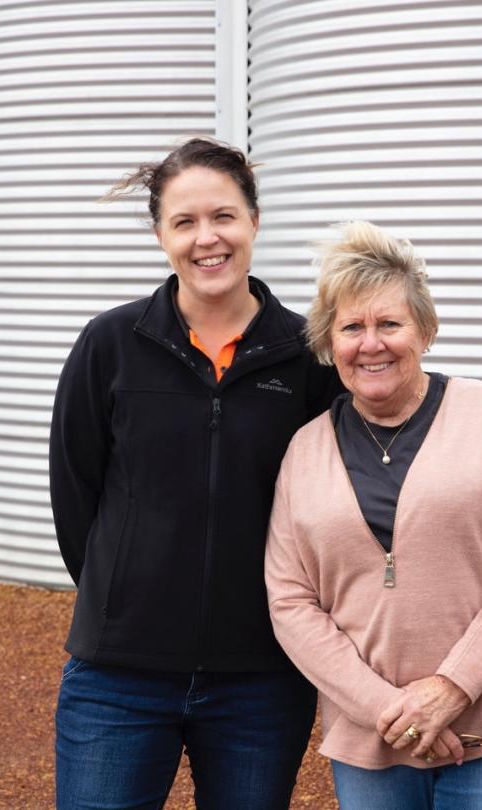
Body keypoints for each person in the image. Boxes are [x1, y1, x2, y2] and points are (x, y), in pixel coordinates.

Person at [48, 137, 341, 810]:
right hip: (118, 675)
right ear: (160, 235)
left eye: (224, 216)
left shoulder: (308, 358)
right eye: (184, 222)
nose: (207, 239)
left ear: (255, 221)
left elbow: (331, 506)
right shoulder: (110, 346)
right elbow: (76, 495)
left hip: (261, 681)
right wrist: (124, 597)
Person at [264, 221, 482, 809]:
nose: (370, 343)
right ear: (330, 342)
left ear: (424, 330)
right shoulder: (305, 450)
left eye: (389, 324)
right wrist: (386, 708)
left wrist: (451, 688)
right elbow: (290, 599)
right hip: (370, 735)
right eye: (351, 327)